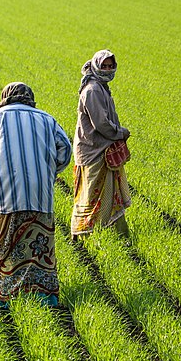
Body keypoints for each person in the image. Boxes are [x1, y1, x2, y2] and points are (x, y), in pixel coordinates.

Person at [0, 82, 72, 308]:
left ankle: (4, 296)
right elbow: (66, 149)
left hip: (6, 194)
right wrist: (49, 171)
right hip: (40, 193)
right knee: (38, 246)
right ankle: (43, 297)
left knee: (5, 244)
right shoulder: (46, 119)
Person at [71, 49, 131, 240]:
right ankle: (82, 234)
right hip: (93, 151)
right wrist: (121, 133)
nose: (107, 69)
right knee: (90, 196)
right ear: (96, 65)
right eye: (103, 66)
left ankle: (115, 234)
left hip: (100, 150)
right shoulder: (93, 90)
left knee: (107, 193)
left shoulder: (100, 86)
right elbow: (101, 124)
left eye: (110, 66)